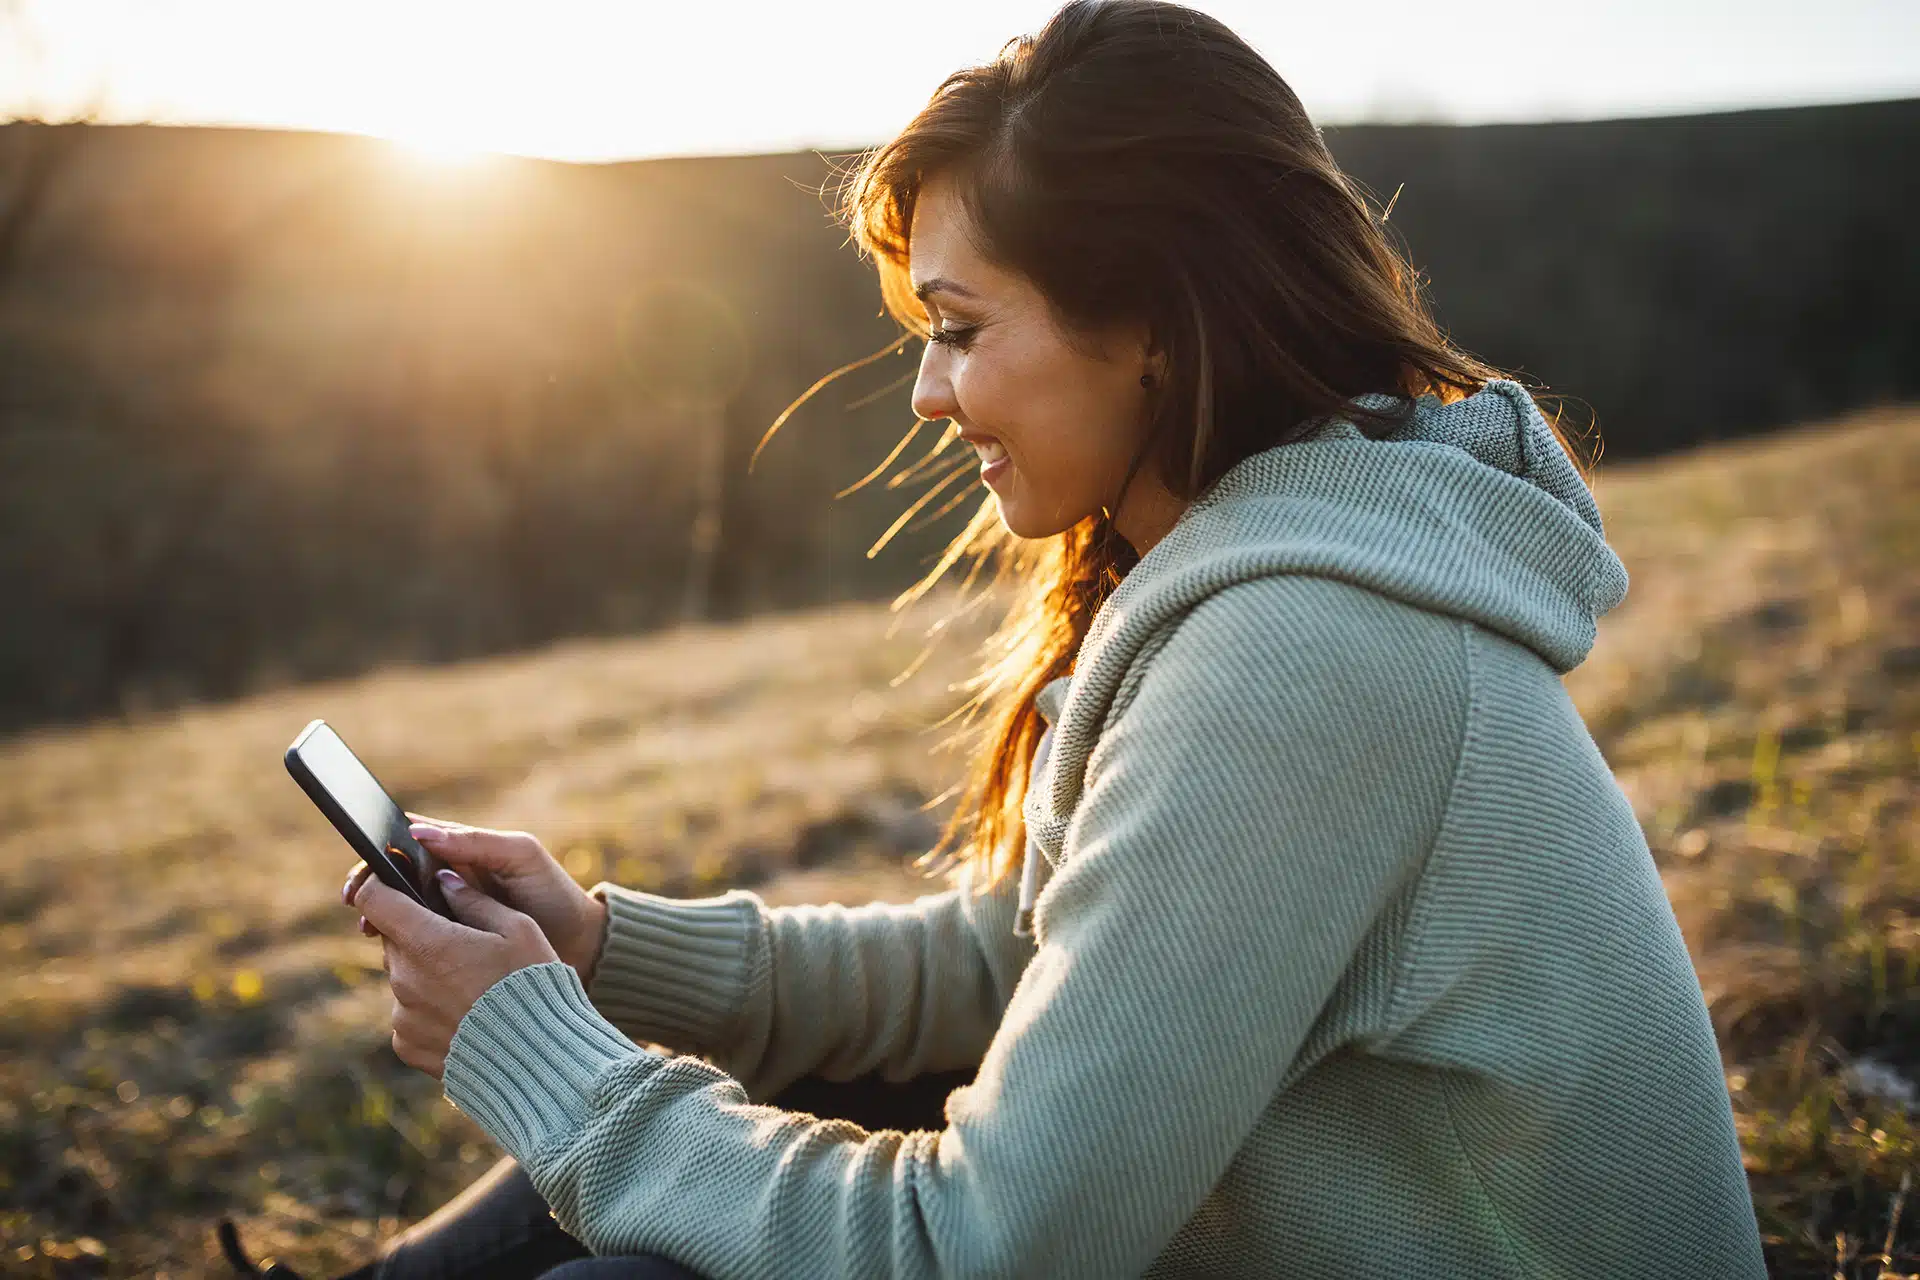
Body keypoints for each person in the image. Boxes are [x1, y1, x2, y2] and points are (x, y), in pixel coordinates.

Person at [219, 1, 1768, 1275]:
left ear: (1154, 324)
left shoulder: (1307, 657)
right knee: (798, 1082)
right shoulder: (1270, 575)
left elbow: (977, 1253)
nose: (927, 395)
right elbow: (1003, 960)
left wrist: (539, 1056)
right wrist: (600, 953)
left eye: (961, 330)